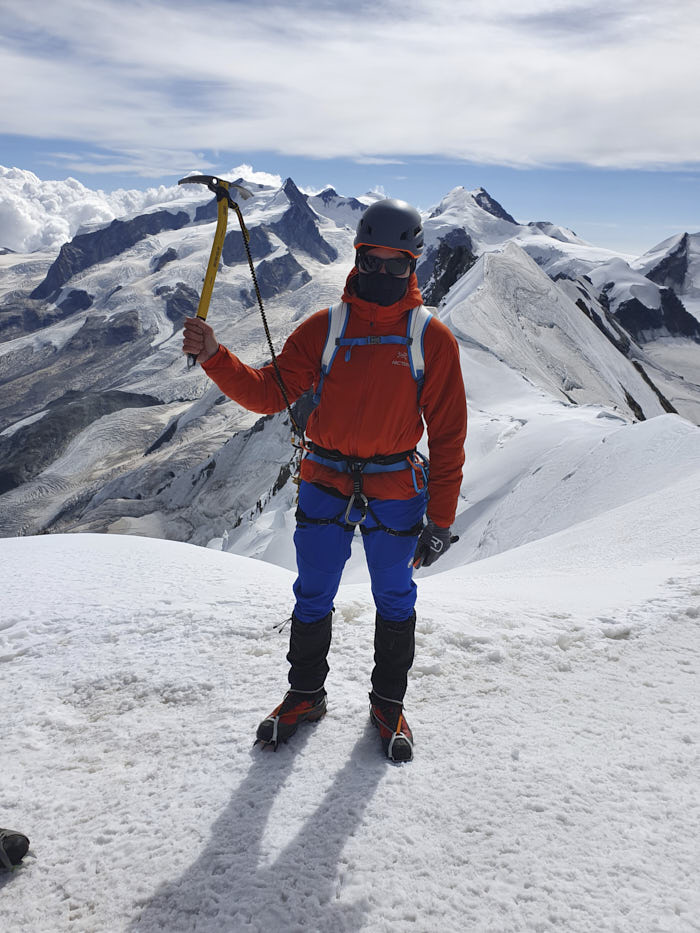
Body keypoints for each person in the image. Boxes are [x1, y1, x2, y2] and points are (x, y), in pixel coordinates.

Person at [182, 198, 467, 762]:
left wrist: (441, 521)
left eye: (397, 264)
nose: (382, 274)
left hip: (389, 489)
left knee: (394, 598)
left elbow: (449, 437)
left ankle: (388, 703)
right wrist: (215, 356)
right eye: (372, 261)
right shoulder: (326, 327)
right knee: (313, 594)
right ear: (357, 258)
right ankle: (305, 695)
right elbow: (269, 392)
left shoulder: (432, 339)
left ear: (414, 266)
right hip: (329, 481)